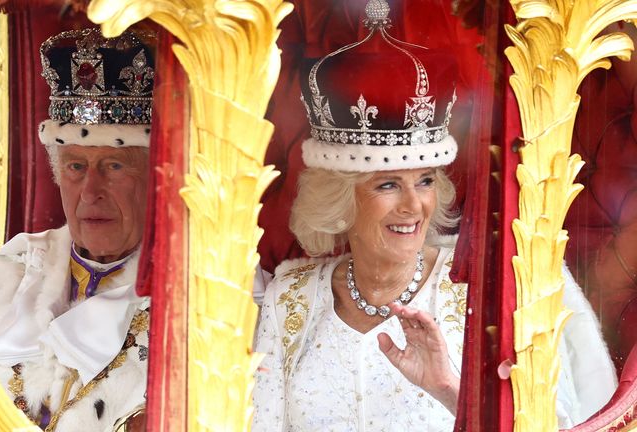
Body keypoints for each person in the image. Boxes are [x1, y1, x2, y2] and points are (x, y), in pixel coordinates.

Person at [252, 0, 618, 430]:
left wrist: (449, 390)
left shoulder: (488, 291)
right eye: (388, 184)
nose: (414, 205)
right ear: (339, 200)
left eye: (425, 180)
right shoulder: (289, 297)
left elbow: (555, 423)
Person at [0, 27, 152, 432]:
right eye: (76, 167)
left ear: (156, 177)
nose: (91, 191)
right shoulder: (11, 272)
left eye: (115, 166)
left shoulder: (200, 298)